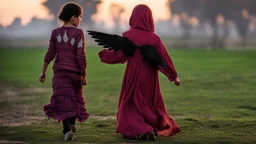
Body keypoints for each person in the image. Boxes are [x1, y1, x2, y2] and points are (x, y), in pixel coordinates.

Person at [98, 4, 181, 141]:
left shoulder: (127, 36)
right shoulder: (155, 39)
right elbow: (164, 60)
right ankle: (148, 127)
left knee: (130, 105)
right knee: (148, 103)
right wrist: (174, 77)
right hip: (150, 78)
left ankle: (142, 129)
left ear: (133, 17)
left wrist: (104, 55)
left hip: (133, 76)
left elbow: (119, 57)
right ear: (149, 18)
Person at [39, 2, 88, 141]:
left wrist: (43, 71)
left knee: (63, 99)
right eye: (80, 17)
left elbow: (50, 54)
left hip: (60, 73)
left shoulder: (55, 33)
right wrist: (84, 74)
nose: (80, 20)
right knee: (73, 98)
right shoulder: (79, 33)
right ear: (73, 18)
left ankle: (67, 129)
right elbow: (81, 56)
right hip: (74, 74)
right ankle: (70, 125)